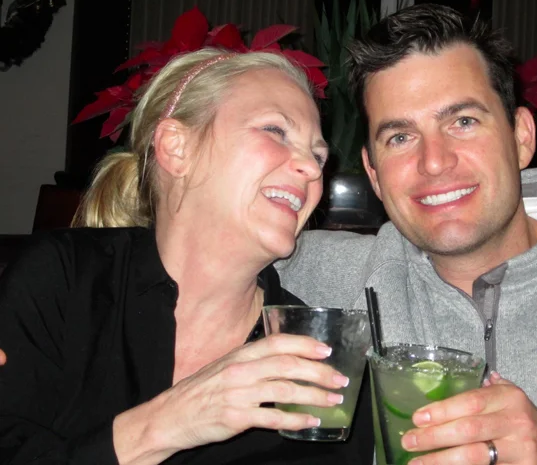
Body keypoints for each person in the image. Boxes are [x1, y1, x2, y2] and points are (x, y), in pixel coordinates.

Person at [275, 4, 537, 465]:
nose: (434, 161)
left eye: (463, 122)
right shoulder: (323, 277)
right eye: (400, 137)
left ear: (522, 137)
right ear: (374, 174)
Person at [0, 48, 374, 464]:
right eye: (275, 130)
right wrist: (168, 424)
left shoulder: (317, 359)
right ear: (177, 148)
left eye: (319, 156)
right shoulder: (63, 282)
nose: (312, 168)